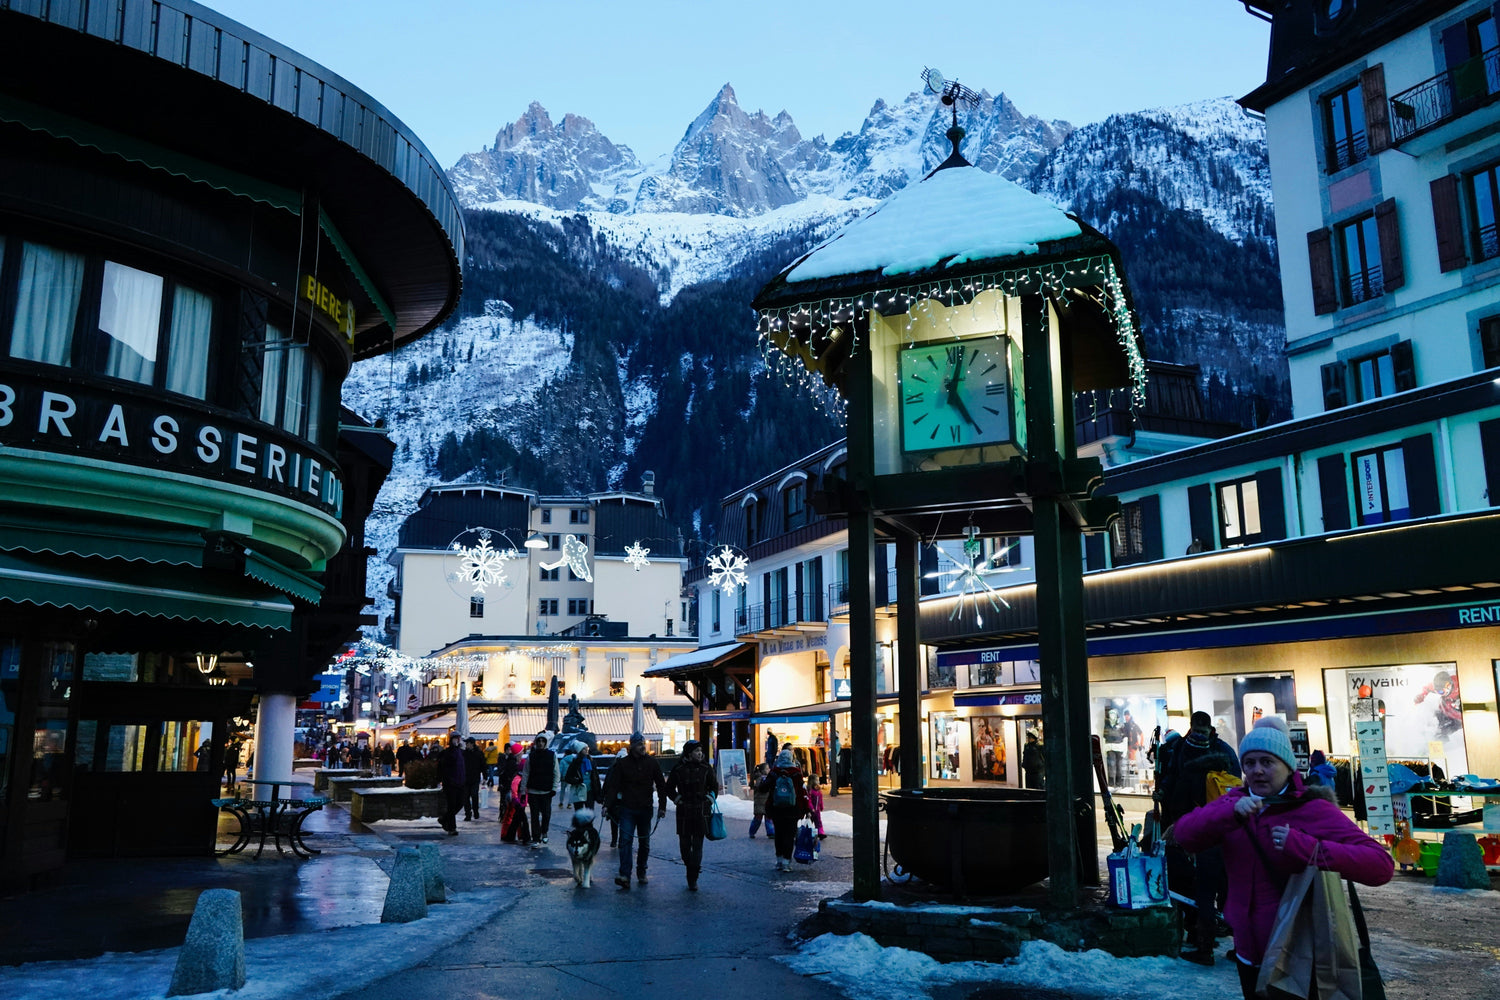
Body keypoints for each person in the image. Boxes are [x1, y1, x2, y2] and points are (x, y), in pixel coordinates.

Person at [1172, 716, 1394, 999]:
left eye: (1267, 762)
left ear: (1288, 767)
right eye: (1249, 763)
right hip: (1246, 951)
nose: (1257, 771)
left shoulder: (1312, 808)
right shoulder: (1232, 803)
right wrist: (1229, 814)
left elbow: (1381, 865)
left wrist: (1310, 849)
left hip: (1298, 951)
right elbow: (1184, 835)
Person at [1157, 710, 1241, 965]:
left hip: (1201, 838)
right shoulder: (1225, 755)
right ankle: (1239, 943)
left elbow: (1178, 804)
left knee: (1201, 891)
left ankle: (1203, 946)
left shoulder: (1186, 766)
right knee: (1231, 889)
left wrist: (1176, 827)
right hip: (1229, 836)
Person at [602, 733, 668, 889]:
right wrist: (607, 805)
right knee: (625, 841)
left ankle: (641, 871)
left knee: (644, 843)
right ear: (632, 746)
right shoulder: (623, 764)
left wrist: (662, 807)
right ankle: (625, 874)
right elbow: (614, 786)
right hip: (627, 808)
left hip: (645, 808)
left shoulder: (652, 763)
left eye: (643, 743)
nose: (643, 746)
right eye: (639, 744)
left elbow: (660, 785)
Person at [665, 740, 719, 890]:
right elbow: (668, 788)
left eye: (701, 750)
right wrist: (677, 799)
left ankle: (692, 877)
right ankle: (691, 866)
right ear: (689, 753)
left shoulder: (706, 768)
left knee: (697, 845)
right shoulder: (678, 769)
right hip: (684, 810)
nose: (700, 753)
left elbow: (714, 786)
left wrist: (709, 799)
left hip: (701, 810)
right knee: (684, 846)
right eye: (696, 751)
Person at [760, 748, 809, 871]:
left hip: (777, 809)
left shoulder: (774, 772)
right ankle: (787, 862)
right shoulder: (796, 773)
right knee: (789, 835)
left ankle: (779, 861)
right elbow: (802, 792)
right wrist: (807, 808)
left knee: (779, 834)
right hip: (793, 809)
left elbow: (763, 788)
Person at [522, 734, 559, 844]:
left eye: (543, 741)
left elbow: (556, 772)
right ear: (536, 742)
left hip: (546, 790)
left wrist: (554, 787)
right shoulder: (531, 756)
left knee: (546, 814)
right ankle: (536, 838)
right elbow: (526, 773)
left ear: (546, 743)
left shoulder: (552, 755)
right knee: (534, 816)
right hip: (533, 790)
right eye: (539, 741)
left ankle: (544, 831)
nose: (541, 743)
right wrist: (523, 789)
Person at [435, 733, 466, 835]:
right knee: (452, 806)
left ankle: (444, 819)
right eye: (456, 739)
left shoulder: (460, 752)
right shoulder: (448, 752)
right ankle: (452, 828)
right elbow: (443, 766)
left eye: (459, 739)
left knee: (460, 803)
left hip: (460, 782)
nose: (458, 740)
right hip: (450, 783)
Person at [560, 741, 592, 811]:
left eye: (587, 748)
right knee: (579, 814)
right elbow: (568, 777)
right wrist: (577, 781)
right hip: (579, 791)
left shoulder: (591, 762)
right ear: (579, 750)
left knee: (590, 814)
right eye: (584, 749)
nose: (586, 750)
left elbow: (594, 777)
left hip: (590, 791)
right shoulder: (575, 763)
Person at [462, 737, 486, 821]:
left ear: (472, 744)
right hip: (465, 778)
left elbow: (483, 765)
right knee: (465, 797)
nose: (466, 745)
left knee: (474, 795)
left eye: (467, 743)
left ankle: (475, 811)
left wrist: (485, 777)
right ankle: (468, 814)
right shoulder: (464, 753)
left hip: (475, 778)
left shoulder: (479, 753)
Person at [749, 762, 774, 839]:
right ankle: (752, 832)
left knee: (768, 818)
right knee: (758, 818)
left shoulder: (766, 778)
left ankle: (771, 832)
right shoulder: (759, 778)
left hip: (766, 801)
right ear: (763, 770)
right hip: (760, 802)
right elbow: (761, 788)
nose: (769, 770)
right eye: (767, 768)